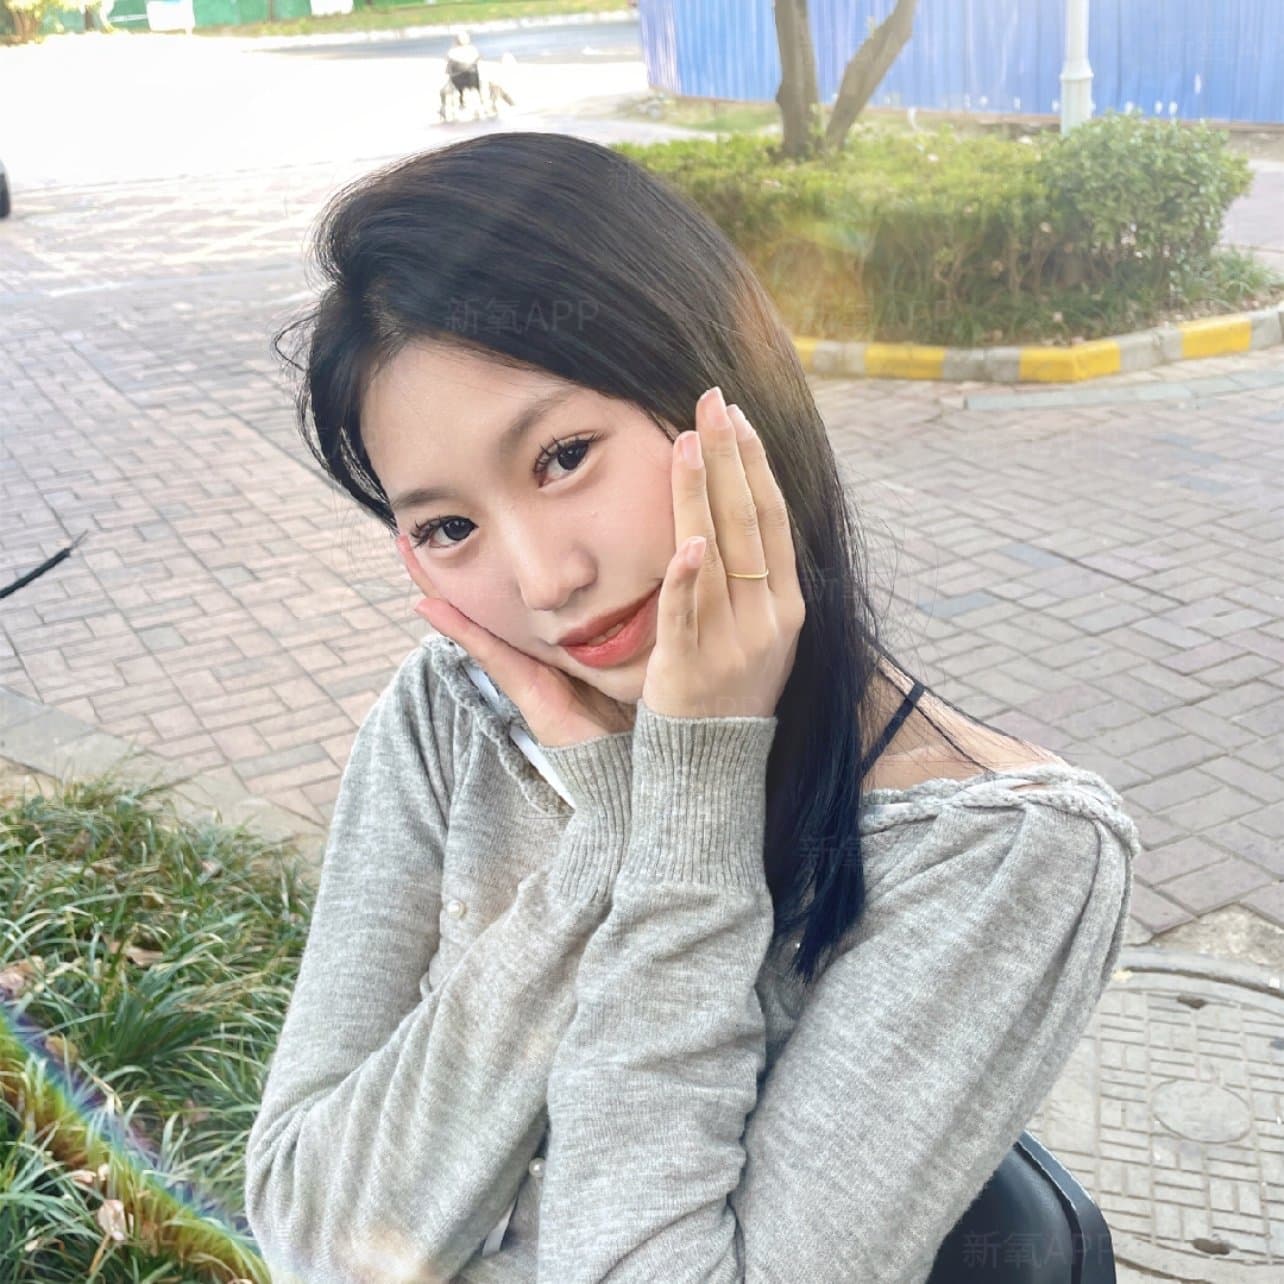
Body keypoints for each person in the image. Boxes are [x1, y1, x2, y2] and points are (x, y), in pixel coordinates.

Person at [245, 132, 1138, 1283]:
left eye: (564, 456)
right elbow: (309, 1228)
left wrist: (691, 803)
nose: (544, 581)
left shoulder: (999, 857)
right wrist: (601, 850)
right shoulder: (451, 718)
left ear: (722, 385)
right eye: (449, 527)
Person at [441, 29, 483, 121]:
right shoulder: (472, 50)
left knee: (444, 91)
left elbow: (448, 69)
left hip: (460, 80)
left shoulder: (453, 51)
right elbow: (477, 61)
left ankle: (447, 109)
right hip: (471, 79)